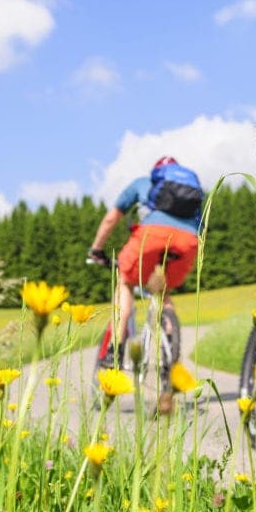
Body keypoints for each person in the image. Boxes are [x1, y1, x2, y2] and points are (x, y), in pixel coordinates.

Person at [87, 156, 202, 370]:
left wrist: (97, 249)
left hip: (152, 236)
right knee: (163, 292)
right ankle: (170, 351)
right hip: (188, 241)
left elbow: (111, 218)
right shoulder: (191, 190)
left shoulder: (143, 183)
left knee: (126, 282)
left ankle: (116, 351)